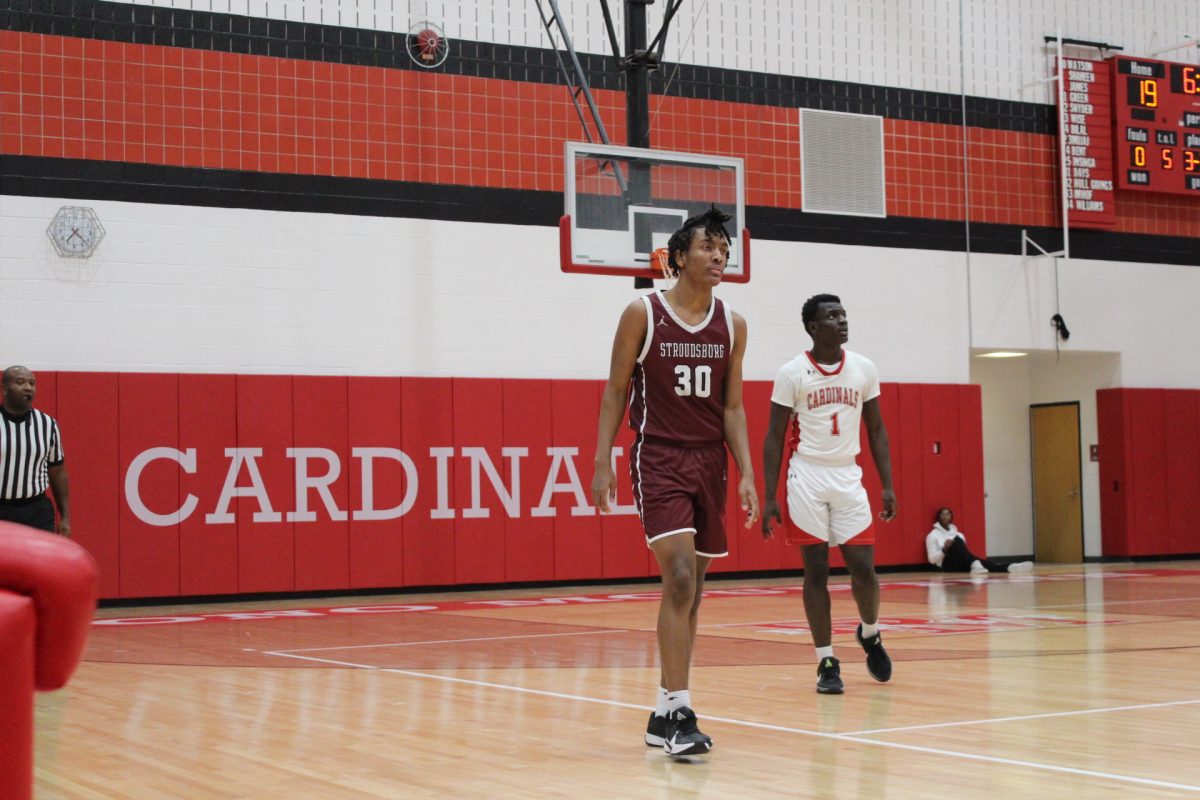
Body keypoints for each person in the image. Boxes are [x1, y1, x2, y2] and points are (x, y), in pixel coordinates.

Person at [591, 207, 760, 757]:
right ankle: (682, 711)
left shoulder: (733, 323)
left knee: (693, 591)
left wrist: (747, 475)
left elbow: (733, 406)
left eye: (724, 250)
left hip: (710, 460)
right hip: (659, 456)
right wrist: (602, 459)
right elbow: (616, 390)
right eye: (709, 248)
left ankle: (664, 710)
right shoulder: (643, 312)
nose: (719, 257)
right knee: (682, 578)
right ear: (679, 256)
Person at [761, 294, 896, 695]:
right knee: (815, 571)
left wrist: (887, 483)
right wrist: (770, 495)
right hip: (806, 475)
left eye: (843, 314)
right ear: (813, 327)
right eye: (832, 316)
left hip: (847, 476)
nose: (841, 320)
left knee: (863, 569)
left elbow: (876, 429)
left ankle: (870, 633)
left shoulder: (864, 368)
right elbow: (773, 435)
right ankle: (826, 660)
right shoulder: (792, 372)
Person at [0, 366, 70, 536]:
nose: (27, 387)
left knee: (40, 562)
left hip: (36, 511)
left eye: (32, 383)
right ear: (4, 389)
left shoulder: (47, 424)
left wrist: (65, 516)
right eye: (20, 382)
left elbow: (58, 472)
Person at [926, 507, 1032, 574]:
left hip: (962, 563)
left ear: (951, 517)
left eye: (948, 514)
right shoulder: (932, 535)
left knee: (986, 564)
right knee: (958, 541)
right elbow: (931, 560)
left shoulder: (959, 534)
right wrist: (944, 549)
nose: (945, 517)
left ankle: (1010, 567)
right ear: (938, 518)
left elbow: (965, 554)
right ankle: (975, 563)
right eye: (942, 514)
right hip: (947, 565)